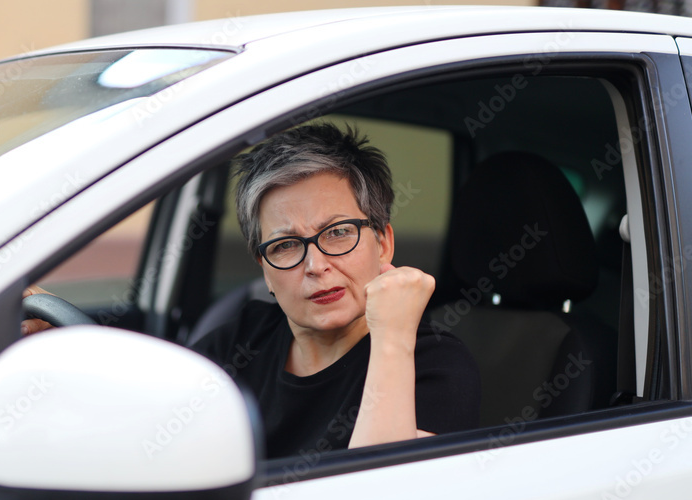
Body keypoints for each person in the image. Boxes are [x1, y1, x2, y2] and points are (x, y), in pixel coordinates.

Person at [187, 122, 480, 459]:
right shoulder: (238, 343)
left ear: (383, 244)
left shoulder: (436, 363)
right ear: (264, 269)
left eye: (338, 232)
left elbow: (381, 497)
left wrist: (394, 337)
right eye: (285, 245)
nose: (315, 265)